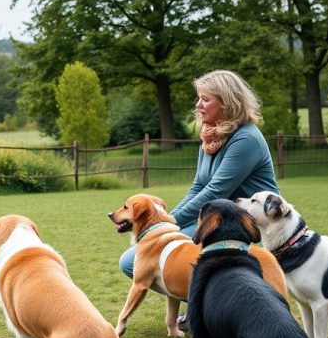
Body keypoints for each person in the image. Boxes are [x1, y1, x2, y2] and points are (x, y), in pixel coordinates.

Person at [119, 69, 280, 279]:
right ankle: (203, 303)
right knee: (131, 261)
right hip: (214, 216)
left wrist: (170, 223)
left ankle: (205, 304)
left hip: (242, 223)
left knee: (133, 261)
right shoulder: (211, 136)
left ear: (227, 103)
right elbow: (198, 187)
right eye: (199, 99)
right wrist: (164, 222)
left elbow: (215, 191)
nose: (198, 105)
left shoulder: (245, 140)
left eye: (205, 99)